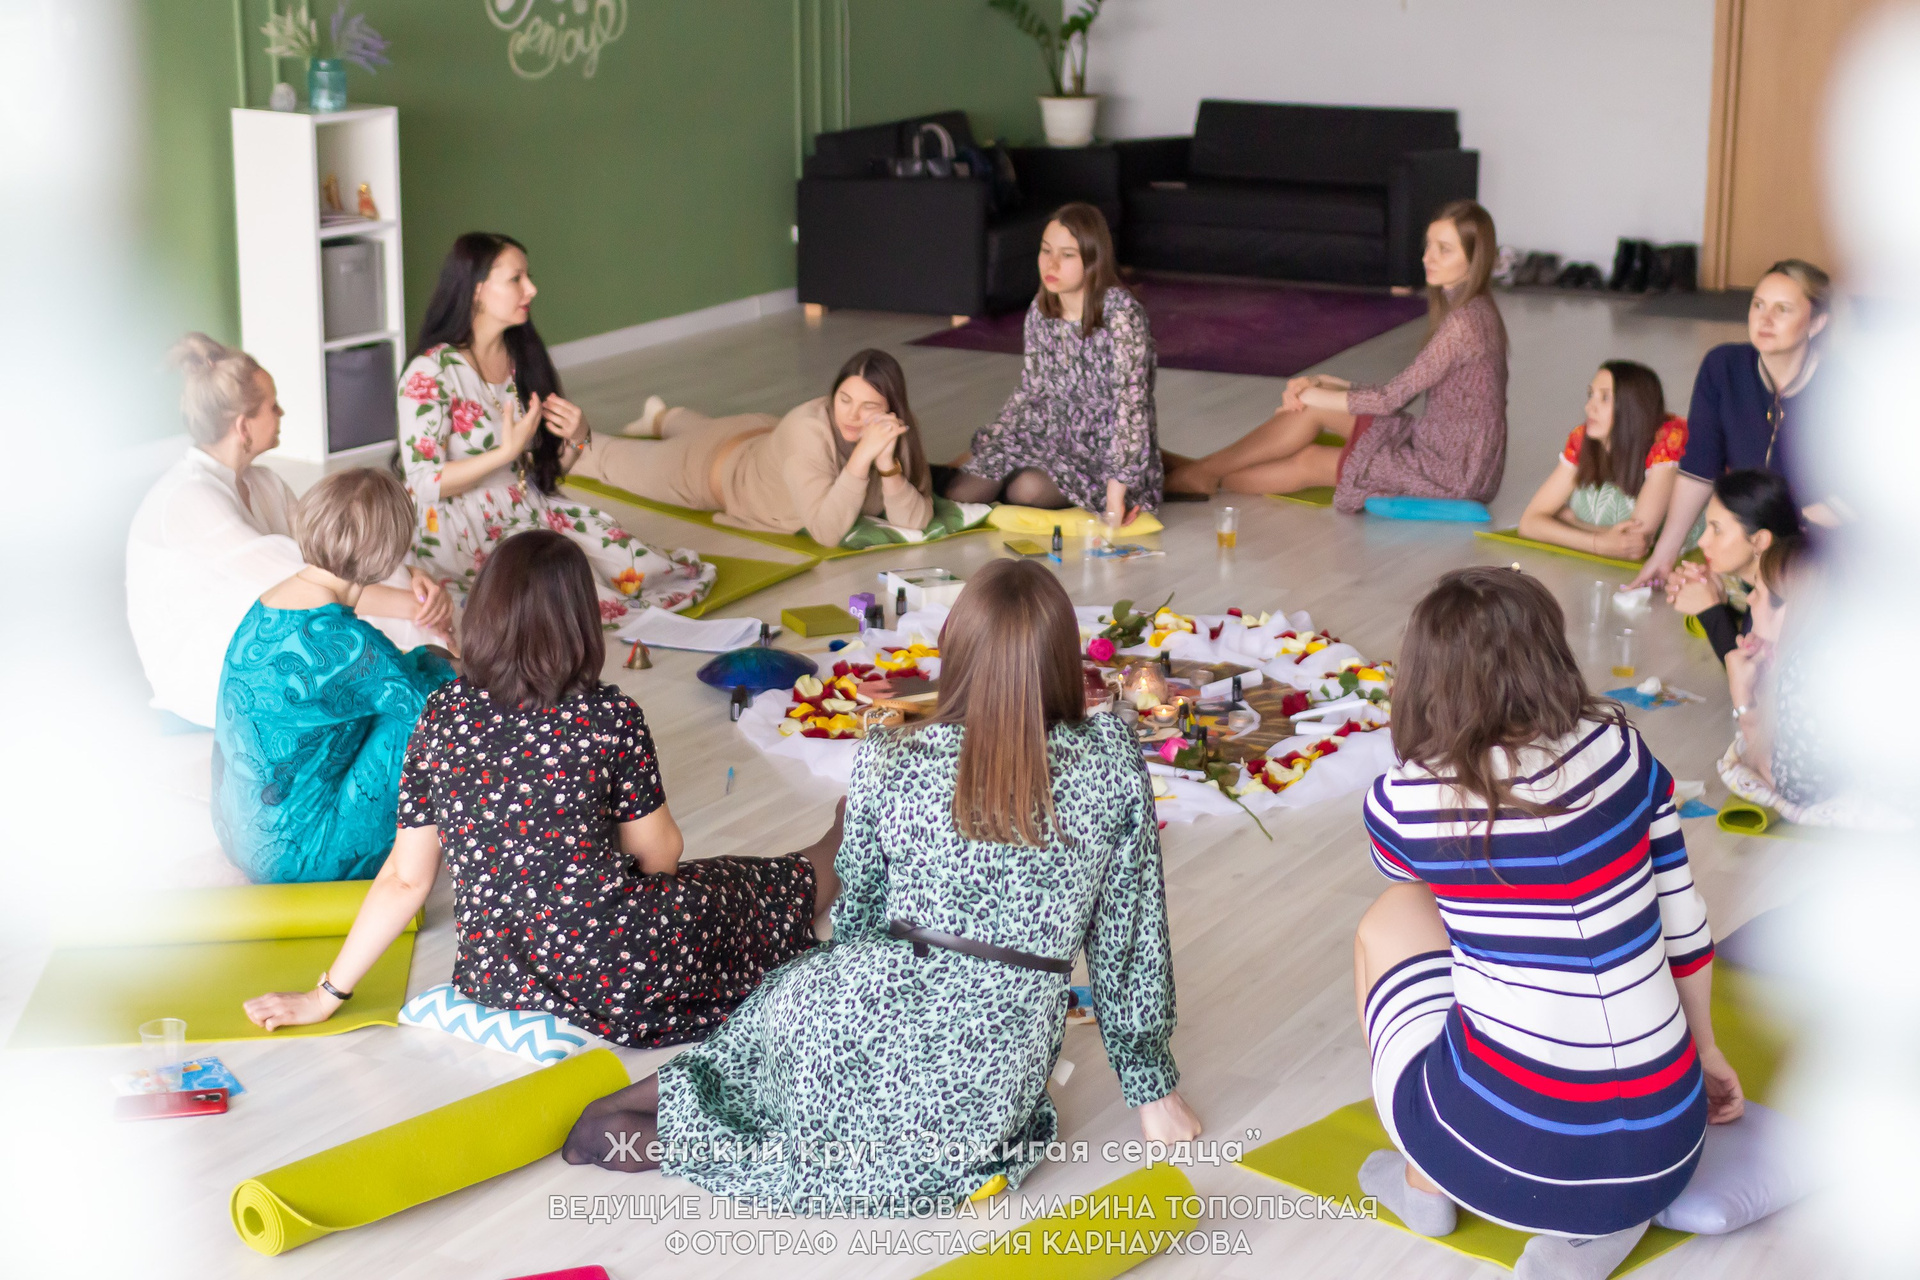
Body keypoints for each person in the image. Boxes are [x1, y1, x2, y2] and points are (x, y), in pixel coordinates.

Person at [561, 558, 1202, 1209]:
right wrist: (1155, 1095)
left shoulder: (889, 755)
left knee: (682, 1096)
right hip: (982, 1069)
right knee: (779, 1135)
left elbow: (860, 918)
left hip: (841, 1016)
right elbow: (1128, 943)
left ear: (958, 650)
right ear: (1060, 657)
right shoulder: (1111, 760)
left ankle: (621, 1120)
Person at [242, 529, 833, 1043]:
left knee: (716, 892)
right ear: (579, 621)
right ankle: (849, 830)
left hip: (497, 976)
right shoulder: (608, 716)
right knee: (757, 885)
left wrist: (324, 995)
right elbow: (661, 855)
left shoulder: (442, 713)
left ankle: (843, 834)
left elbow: (404, 878)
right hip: (621, 970)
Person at [1354, 567, 1741, 1280]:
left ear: (1426, 675)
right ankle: (1604, 1226)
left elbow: (1410, 891)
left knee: (1391, 917)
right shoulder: (1622, 748)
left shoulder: (1404, 799)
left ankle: (1424, 1179)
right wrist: (1707, 1052)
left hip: (1498, 1163)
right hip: (1670, 1145)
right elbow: (1683, 924)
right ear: (1549, 655)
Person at [127, 333, 451, 728]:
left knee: (384, 584)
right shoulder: (189, 497)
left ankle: (439, 687)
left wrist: (414, 577)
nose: (281, 413)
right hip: (206, 670)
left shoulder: (263, 482)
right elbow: (306, 585)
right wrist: (416, 606)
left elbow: (339, 549)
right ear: (243, 426)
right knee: (377, 612)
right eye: (272, 406)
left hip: (260, 635)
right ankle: (442, 691)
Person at [398, 232, 714, 626]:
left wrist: (578, 438)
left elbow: (543, 475)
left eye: (528, 277)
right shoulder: (429, 373)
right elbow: (423, 482)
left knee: (637, 566)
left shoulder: (521, 357)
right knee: (577, 596)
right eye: (516, 279)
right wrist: (504, 453)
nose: (531, 289)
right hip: (456, 529)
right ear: (477, 290)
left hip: (527, 508)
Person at [1165, 201, 1507, 514]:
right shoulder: (1471, 308)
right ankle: (1199, 471)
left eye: (1444, 250)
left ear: (1474, 259)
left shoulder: (1465, 324)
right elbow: (1398, 392)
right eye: (1428, 245)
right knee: (1315, 404)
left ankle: (1199, 473)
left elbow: (1391, 399)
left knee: (1310, 458)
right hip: (1436, 446)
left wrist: (1312, 394)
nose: (1428, 257)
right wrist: (1324, 383)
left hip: (1451, 473)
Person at [212, 469, 456, 883]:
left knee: (407, 675)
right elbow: (433, 713)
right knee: (438, 690)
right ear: (389, 553)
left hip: (238, 835)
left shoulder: (266, 605)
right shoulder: (354, 646)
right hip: (300, 859)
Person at [569, 348, 936, 548]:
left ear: (892, 409)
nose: (852, 416)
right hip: (711, 469)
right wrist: (861, 458)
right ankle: (557, 441)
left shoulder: (897, 433)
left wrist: (887, 464)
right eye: (844, 399)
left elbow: (916, 520)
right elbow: (827, 532)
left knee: (708, 430)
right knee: (603, 459)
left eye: (868, 406)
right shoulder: (808, 432)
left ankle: (662, 418)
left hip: (760, 434)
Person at [946, 203, 1161, 525]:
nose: (1052, 264)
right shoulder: (1041, 308)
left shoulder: (1122, 315)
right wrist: (991, 443)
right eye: (1046, 251)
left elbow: (1131, 408)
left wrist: (1116, 495)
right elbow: (1030, 391)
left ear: (1093, 260)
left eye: (1067, 255)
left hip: (1103, 454)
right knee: (962, 492)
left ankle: (1029, 481)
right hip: (1046, 437)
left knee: (1025, 490)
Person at [1631, 259, 1830, 588]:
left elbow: (1851, 502)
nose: (1765, 319)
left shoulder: (1842, 390)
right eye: (1758, 305)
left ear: (1817, 322)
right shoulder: (1723, 366)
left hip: (1815, 552)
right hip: (1750, 545)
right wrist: (1665, 554)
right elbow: (1699, 470)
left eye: (1782, 310)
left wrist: (1774, 565)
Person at [1516, 361, 1690, 560]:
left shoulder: (1670, 438)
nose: (1589, 407)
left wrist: (1573, 523)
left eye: (1605, 398)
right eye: (1591, 395)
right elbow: (1529, 523)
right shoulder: (1583, 437)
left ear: (1633, 407)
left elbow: (1635, 544)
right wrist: (1599, 543)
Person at [1665, 469, 1801, 663]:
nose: (1702, 541)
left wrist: (1710, 610)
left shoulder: (1788, 601)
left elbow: (1750, 676)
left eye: (1717, 529)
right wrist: (1718, 598)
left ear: (1760, 540)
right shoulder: (1763, 585)